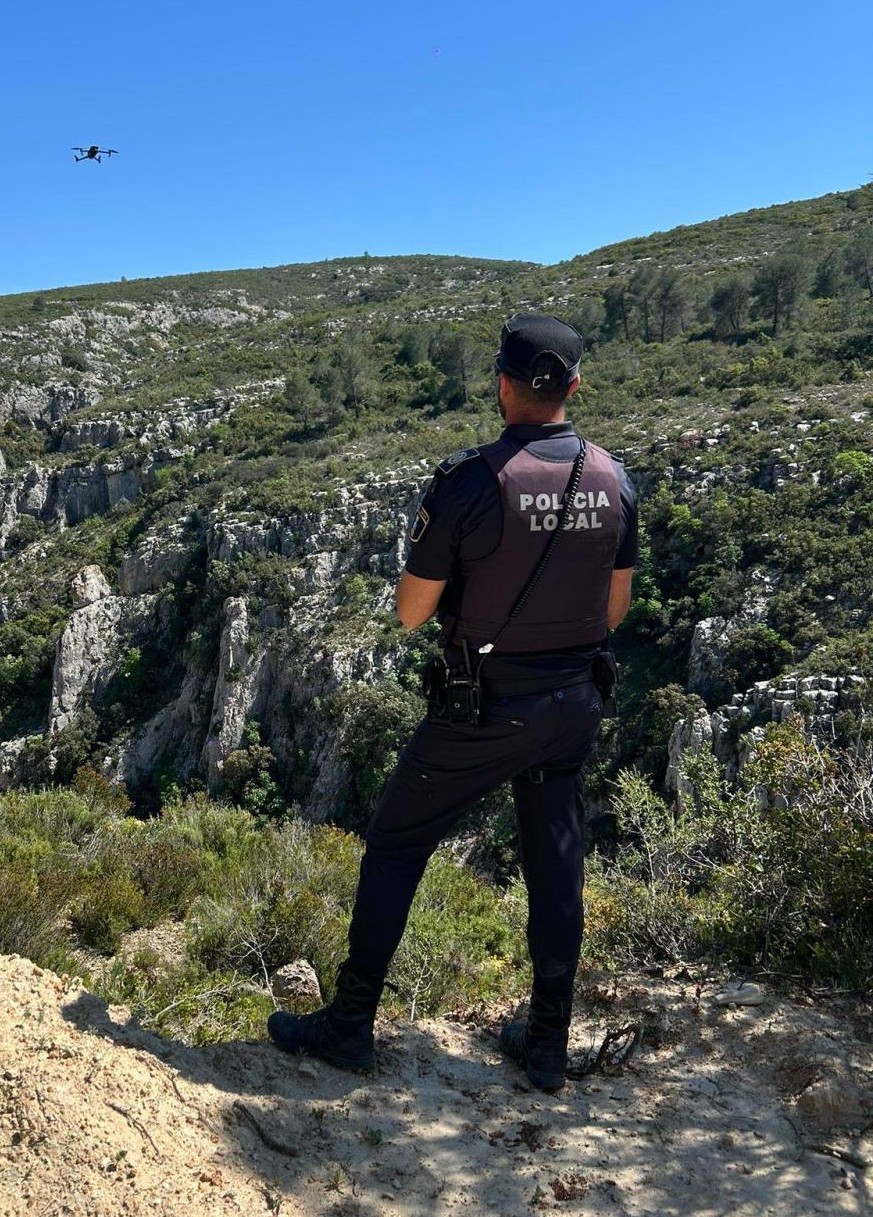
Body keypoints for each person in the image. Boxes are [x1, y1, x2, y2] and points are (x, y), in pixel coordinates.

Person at [267, 313, 638, 1091]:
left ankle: (348, 1025)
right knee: (556, 866)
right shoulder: (613, 478)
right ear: (575, 387)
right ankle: (545, 1046)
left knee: (398, 845)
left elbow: (409, 611)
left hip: (483, 708)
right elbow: (613, 611)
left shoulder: (470, 481)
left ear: (500, 385)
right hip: (571, 704)